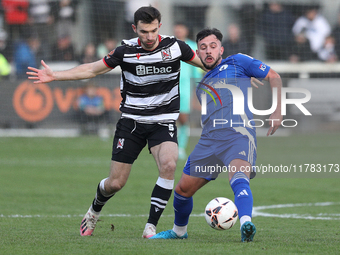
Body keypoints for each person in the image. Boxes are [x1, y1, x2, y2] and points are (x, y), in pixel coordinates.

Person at [27, 6, 205, 238]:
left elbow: (206, 64)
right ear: (135, 29)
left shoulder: (175, 47)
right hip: (131, 122)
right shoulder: (125, 51)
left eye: (153, 31)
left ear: (159, 26)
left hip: (162, 121)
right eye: (143, 31)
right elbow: (92, 69)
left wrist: (242, 70)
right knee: (115, 183)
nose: (149, 37)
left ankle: (150, 227)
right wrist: (56, 75)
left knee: (169, 165)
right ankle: (94, 210)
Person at [149, 28, 282, 242]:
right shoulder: (201, 87)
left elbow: (273, 76)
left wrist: (277, 110)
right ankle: (179, 232)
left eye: (212, 46)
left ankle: (246, 223)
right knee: (182, 190)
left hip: (238, 135)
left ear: (221, 49)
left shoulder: (238, 62)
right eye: (203, 48)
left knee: (238, 177)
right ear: (198, 54)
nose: (208, 51)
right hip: (209, 141)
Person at [173, 23, 202, 160]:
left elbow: (196, 71)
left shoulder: (193, 47)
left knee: (183, 118)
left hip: (185, 88)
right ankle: (170, 146)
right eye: (177, 27)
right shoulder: (169, 45)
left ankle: (181, 147)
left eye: (181, 28)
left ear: (186, 30)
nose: (179, 30)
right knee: (169, 119)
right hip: (169, 87)